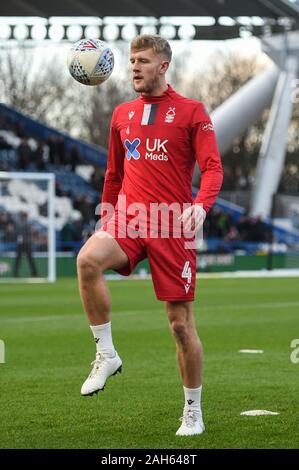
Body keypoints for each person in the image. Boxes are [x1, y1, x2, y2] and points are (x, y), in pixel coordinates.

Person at [77, 35, 223, 436]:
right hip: (129, 219)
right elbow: (114, 174)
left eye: (142, 61)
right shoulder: (122, 114)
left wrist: (201, 205)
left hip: (172, 226)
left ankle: (192, 410)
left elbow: (213, 168)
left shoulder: (192, 112)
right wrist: (106, 217)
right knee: (87, 259)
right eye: (131, 61)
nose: (134, 67)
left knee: (179, 325)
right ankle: (106, 353)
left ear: (163, 66)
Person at [13, 212, 38, 277]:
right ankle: (34, 273)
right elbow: (31, 233)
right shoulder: (28, 224)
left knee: (18, 259)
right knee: (29, 259)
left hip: (21, 244)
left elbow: (15, 234)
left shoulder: (18, 224)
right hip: (26, 244)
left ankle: (16, 273)